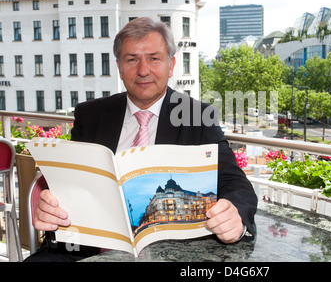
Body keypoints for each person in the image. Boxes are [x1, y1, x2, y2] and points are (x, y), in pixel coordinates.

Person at [26, 17, 257, 262]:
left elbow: (235, 183)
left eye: (154, 58)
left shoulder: (197, 117)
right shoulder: (91, 115)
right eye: (132, 59)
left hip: (173, 254)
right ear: (119, 66)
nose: (143, 70)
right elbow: (71, 183)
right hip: (86, 250)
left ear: (171, 65)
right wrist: (51, 205)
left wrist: (235, 215)